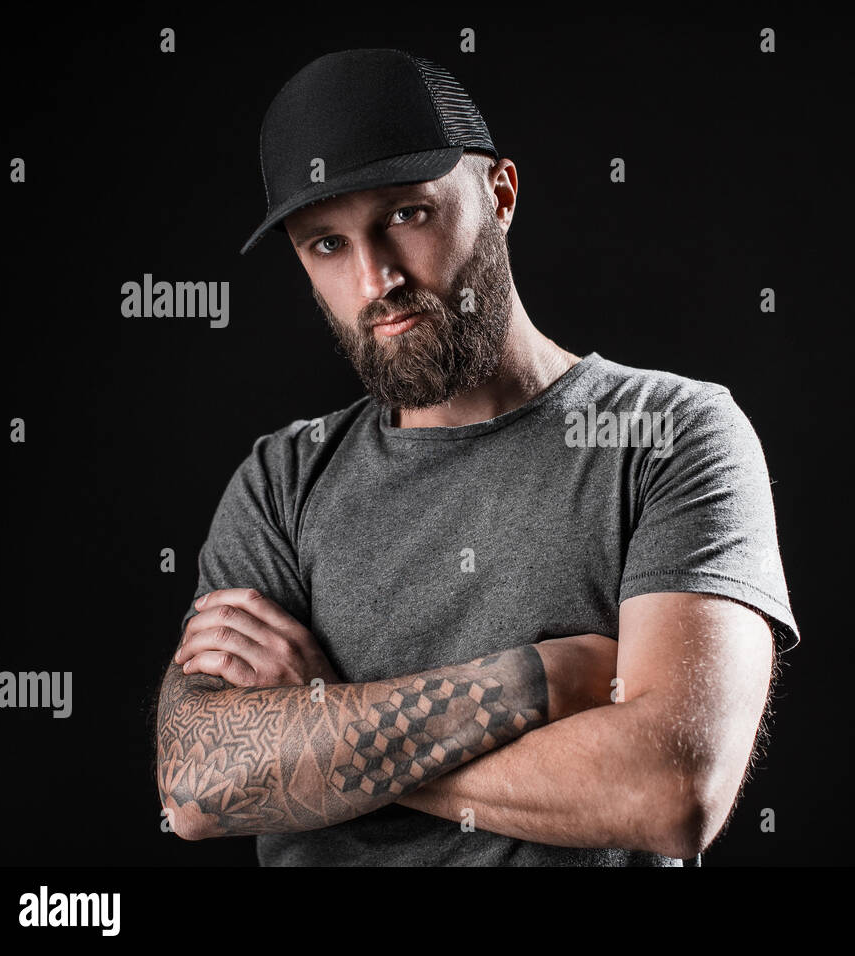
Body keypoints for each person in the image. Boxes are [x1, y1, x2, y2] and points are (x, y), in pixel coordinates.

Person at [155, 48, 800, 867]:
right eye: (326, 245)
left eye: (407, 215)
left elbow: (670, 790)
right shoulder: (281, 482)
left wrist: (317, 727)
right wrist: (537, 683)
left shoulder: (668, 433)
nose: (375, 278)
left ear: (500, 194)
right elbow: (195, 786)